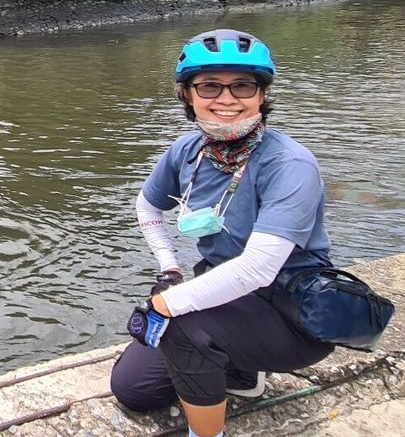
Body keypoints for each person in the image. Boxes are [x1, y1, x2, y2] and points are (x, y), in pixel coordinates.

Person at [110, 29, 334, 437]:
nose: (226, 99)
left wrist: (167, 303)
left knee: (179, 325)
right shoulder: (187, 152)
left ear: (262, 94)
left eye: (242, 86)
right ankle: (241, 372)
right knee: (135, 389)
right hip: (225, 297)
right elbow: (147, 206)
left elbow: (258, 268)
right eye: (210, 86)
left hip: (291, 311)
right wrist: (169, 269)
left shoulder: (290, 165)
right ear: (187, 94)